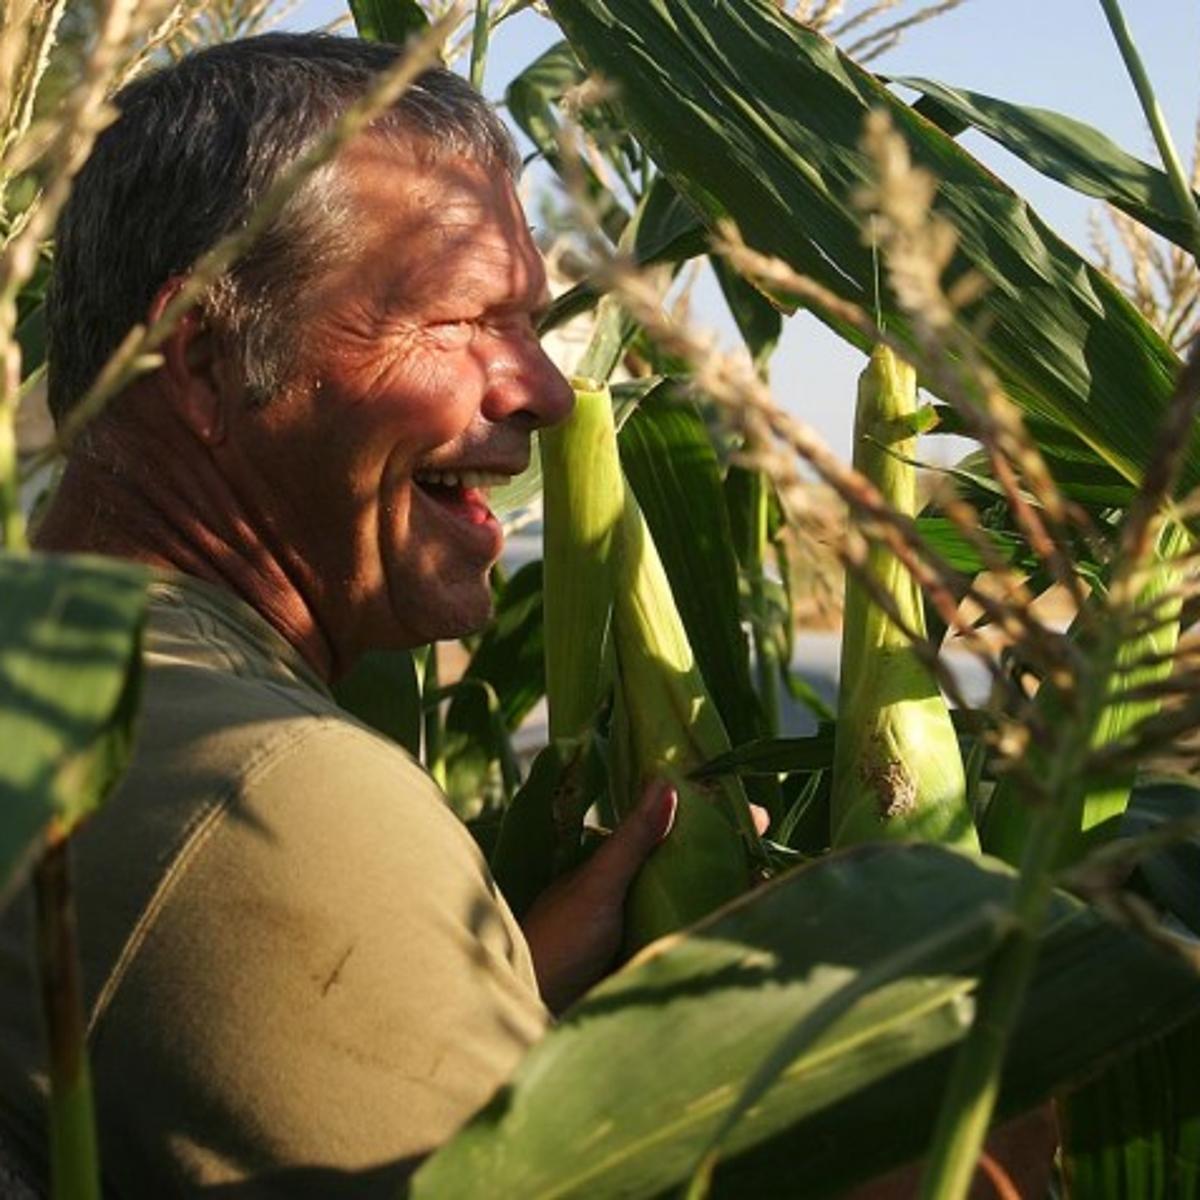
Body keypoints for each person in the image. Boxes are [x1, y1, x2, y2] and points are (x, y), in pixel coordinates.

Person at [0, 33, 676, 1196]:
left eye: (533, 321)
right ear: (201, 355)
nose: (550, 391)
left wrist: (484, 975)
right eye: (466, 319)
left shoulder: (40, 655)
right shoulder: (268, 787)